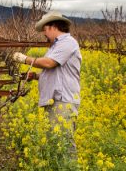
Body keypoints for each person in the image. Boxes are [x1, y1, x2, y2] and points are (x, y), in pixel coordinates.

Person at [12, 11, 82, 158]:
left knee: (64, 143)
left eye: (45, 29)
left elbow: (50, 63)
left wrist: (24, 59)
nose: (44, 33)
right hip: (54, 100)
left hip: (62, 101)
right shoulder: (55, 46)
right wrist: (36, 76)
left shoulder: (68, 43)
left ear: (53, 26)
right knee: (55, 143)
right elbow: (57, 73)